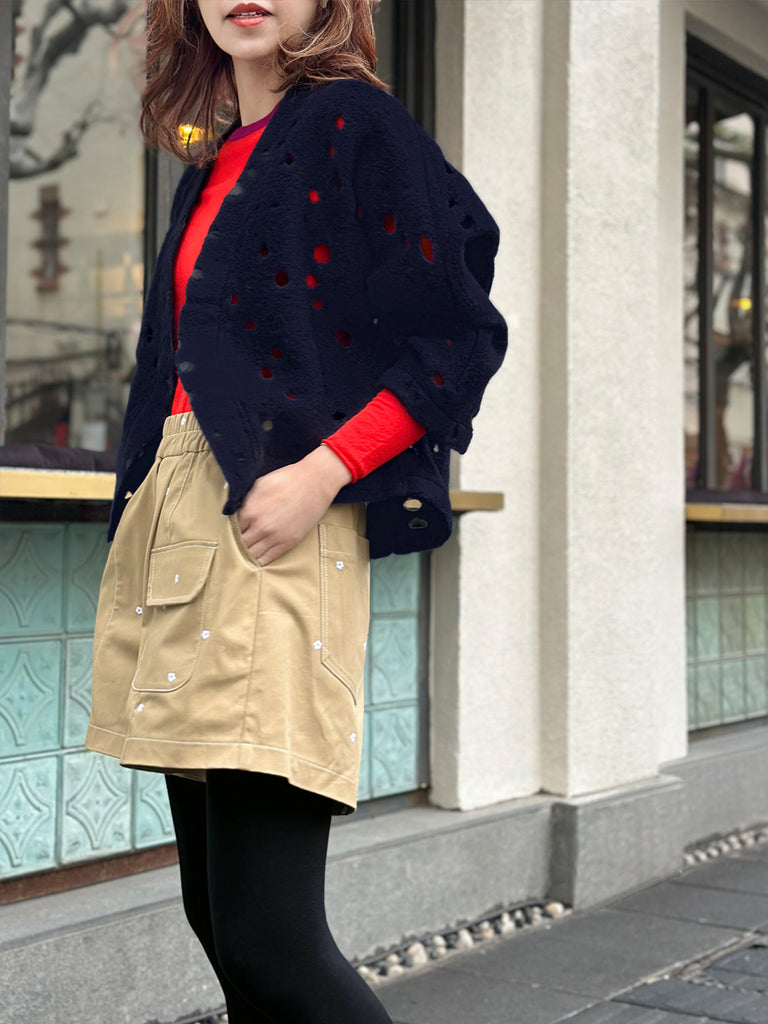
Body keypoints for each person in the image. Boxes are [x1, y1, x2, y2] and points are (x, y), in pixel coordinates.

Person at [85, 0, 507, 1021]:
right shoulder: (213, 161)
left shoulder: (352, 125)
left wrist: (324, 471)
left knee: (271, 936)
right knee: (217, 919)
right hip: (176, 513)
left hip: (277, 516)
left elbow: (459, 336)